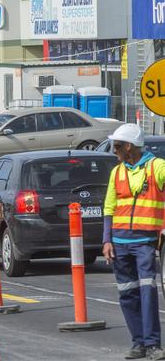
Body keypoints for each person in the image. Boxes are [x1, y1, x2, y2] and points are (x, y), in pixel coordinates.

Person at [103, 123, 165, 360]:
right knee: (127, 293)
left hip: (145, 242)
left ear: (129, 146)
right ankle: (138, 342)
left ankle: (152, 345)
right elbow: (109, 208)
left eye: (117, 146)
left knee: (147, 292)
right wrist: (106, 240)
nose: (114, 150)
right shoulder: (117, 172)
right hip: (119, 243)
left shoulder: (156, 167)